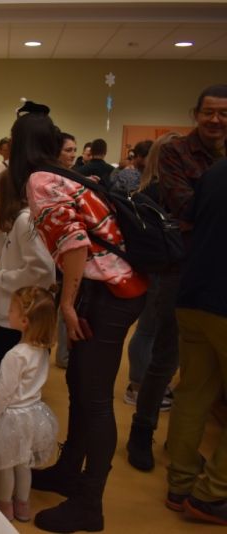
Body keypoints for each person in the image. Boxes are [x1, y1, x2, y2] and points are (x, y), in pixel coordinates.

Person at [9, 109, 147, 533]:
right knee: (80, 386)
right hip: (110, 289)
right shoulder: (63, 175)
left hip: (109, 292)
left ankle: (90, 504)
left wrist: (67, 305)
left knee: (95, 398)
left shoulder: (40, 180)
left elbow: (74, 242)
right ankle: (71, 471)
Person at [127, 84, 227, 472]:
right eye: (209, 112)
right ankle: (142, 431)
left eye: (223, 113)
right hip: (181, 270)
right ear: (195, 115)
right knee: (165, 358)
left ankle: (181, 444)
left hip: (218, 271)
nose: (216, 120)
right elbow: (186, 206)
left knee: (200, 374)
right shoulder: (176, 152)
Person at [166, 158, 227, 524]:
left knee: (192, 395)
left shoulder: (214, 173)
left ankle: (180, 485)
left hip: (193, 294)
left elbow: (188, 221)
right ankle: (213, 495)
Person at [0, 286, 59, 523]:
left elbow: (3, 393)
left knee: (5, 464)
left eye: (11, 309)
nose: (7, 312)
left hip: (10, 418)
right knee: (23, 463)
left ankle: (4, 505)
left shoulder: (15, 355)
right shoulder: (41, 350)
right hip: (32, 414)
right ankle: (22, 505)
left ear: (24, 321)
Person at [122, 135, 181, 420]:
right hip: (163, 269)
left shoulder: (146, 189)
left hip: (150, 268)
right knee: (152, 332)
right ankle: (140, 387)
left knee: (148, 330)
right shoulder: (164, 190)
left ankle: (139, 385)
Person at [0, 170, 55, 401]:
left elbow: (41, 270)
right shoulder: (17, 220)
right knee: (2, 381)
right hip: (12, 312)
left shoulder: (25, 221)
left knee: (6, 387)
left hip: (18, 316)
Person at [54, 132, 77, 369]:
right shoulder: (50, 180)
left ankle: (63, 353)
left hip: (68, 252)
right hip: (55, 252)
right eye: (68, 150)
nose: (73, 154)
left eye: (74, 150)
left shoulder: (73, 178)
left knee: (65, 304)